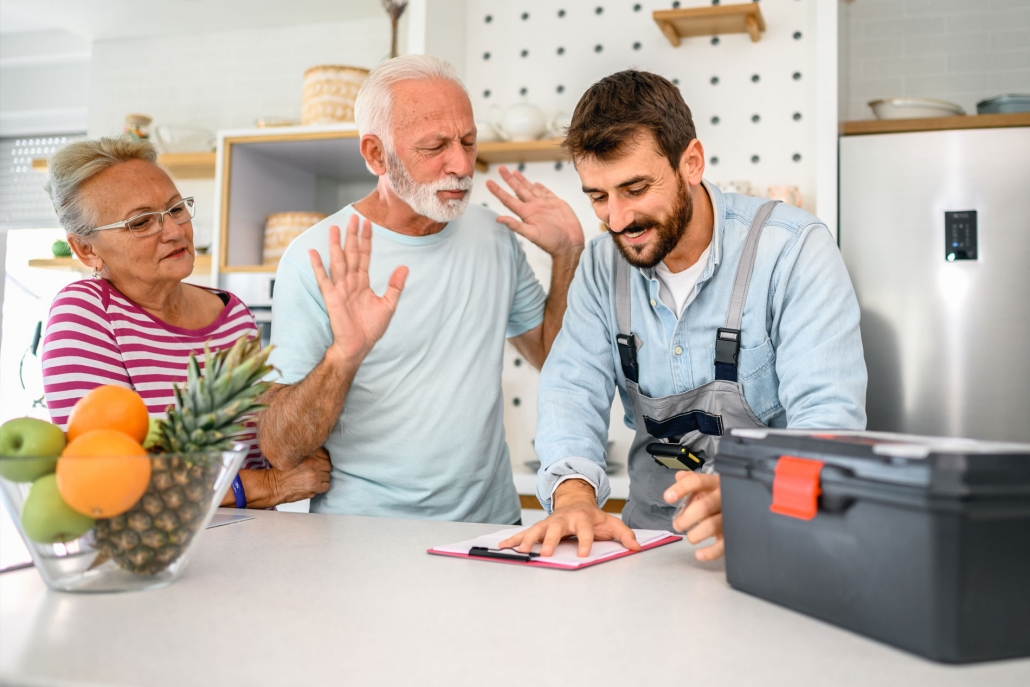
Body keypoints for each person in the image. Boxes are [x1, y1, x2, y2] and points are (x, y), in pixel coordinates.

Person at [501, 70, 867, 560]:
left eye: (635, 189)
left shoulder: (793, 251)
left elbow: (828, 421)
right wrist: (572, 498)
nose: (617, 220)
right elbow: (571, 388)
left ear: (690, 163)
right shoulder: (600, 265)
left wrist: (753, 495)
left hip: (778, 537)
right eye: (597, 196)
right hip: (649, 547)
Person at [258, 55, 584, 524]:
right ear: (375, 154)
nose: (460, 164)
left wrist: (568, 254)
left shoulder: (495, 236)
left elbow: (553, 358)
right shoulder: (317, 257)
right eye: (434, 147)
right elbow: (280, 447)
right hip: (365, 537)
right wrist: (344, 356)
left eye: (468, 142)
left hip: (491, 527)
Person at [40, 136, 330, 509]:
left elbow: (264, 443)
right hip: (151, 551)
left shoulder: (231, 313)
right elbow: (106, 473)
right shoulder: (84, 313)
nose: (175, 231)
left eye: (176, 209)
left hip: (259, 544)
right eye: (141, 222)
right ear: (85, 249)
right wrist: (265, 486)